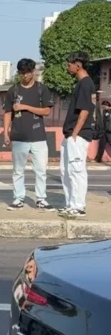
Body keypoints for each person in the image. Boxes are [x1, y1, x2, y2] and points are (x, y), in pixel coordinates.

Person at [3, 58, 55, 211]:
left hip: (38, 136)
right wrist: (5, 133)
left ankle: (41, 199)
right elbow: (7, 113)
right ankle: (18, 198)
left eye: (27, 73)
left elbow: (46, 111)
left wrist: (25, 107)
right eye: (21, 73)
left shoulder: (41, 89)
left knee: (41, 171)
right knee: (18, 170)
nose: (25, 76)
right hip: (19, 137)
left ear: (33, 72)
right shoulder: (13, 90)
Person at [60, 51, 96, 218]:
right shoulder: (83, 83)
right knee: (65, 170)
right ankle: (70, 204)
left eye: (69, 64)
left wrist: (74, 133)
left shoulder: (85, 84)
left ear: (78, 65)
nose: (68, 67)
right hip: (71, 135)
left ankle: (79, 206)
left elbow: (85, 111)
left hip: (78, 135)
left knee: (76, 170)